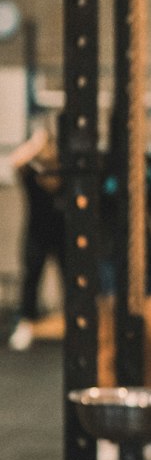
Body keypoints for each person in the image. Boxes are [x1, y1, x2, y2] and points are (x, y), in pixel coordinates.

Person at [7, 123, 65, 351]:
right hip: (36, 237)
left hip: (61, 237)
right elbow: (14, 162)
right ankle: (26, 326)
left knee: (70, 283)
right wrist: (36, 142)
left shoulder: (63, 173)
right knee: (31, 282)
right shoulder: (31, 174)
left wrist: (53, 148)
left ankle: (70, 326)